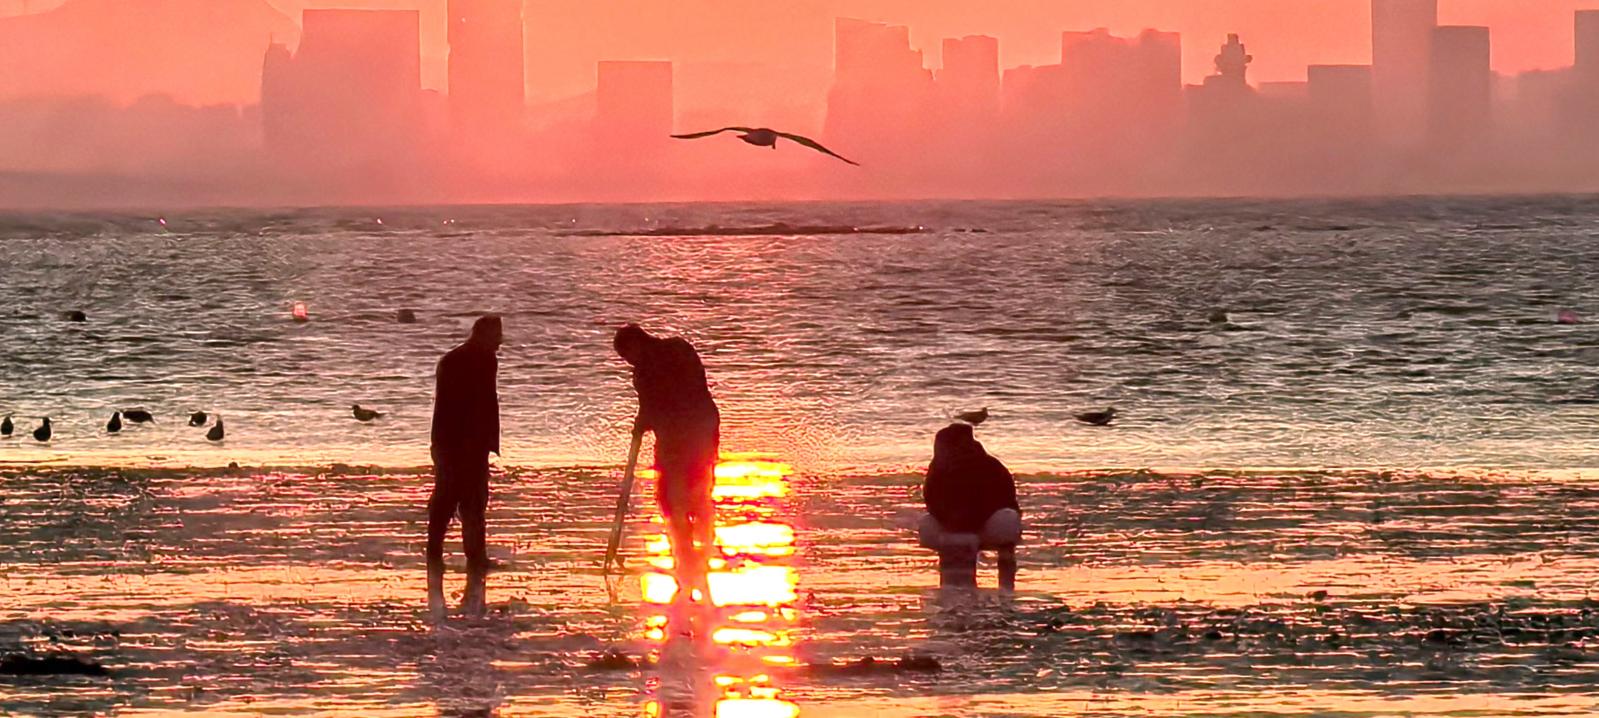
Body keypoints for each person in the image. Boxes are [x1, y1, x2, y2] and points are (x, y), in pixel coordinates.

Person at [614, 323, 720, 606]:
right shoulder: (675, 350)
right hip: (695, 433)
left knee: (683, 498)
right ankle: (692, 557)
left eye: (628, 356)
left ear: (636, 345)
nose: (629, 362)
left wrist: (645, 422)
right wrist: (644, 421)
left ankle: (691, 558)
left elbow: (670, 400)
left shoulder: (662, 360)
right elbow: (655, 405)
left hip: (690, 437)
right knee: (689, 497)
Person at [428, 315, 502, 621]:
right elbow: (477, 404)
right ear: (483, 335)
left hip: (456, 442)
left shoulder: (466, 358)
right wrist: (482, 443)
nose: (500, 341)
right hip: (460, 443)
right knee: (459, 501)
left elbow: (483, 403)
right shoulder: (476, 360)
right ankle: (461, 557)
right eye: (497, 335)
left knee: (458, 501)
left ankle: (455, 557)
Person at [919, 423, 1021, 589]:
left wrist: (961, 521)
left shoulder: (985, 466)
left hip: (982, 524)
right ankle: (1005, 582)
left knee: (1006, 519)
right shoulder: (989, 465)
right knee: (1008, 518)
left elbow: (931, 502)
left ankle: (955, 583)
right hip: (961, 525)